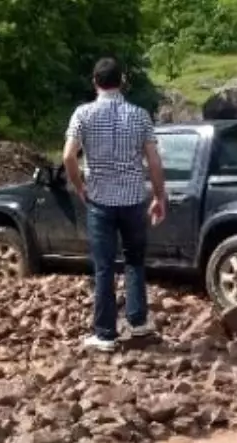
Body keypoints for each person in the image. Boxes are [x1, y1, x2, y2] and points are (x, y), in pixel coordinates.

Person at [63, 57, 168, 353]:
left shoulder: (83, 114)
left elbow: (69, 156)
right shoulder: (139, 116)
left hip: (100, 201)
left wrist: (79, 186)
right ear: (122, 81)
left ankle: (105, 334)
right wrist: (160, 196)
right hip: (134, 199)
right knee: (135, 261)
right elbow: (154, 161)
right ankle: (137, 323)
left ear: (95, 81)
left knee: (104, 267)